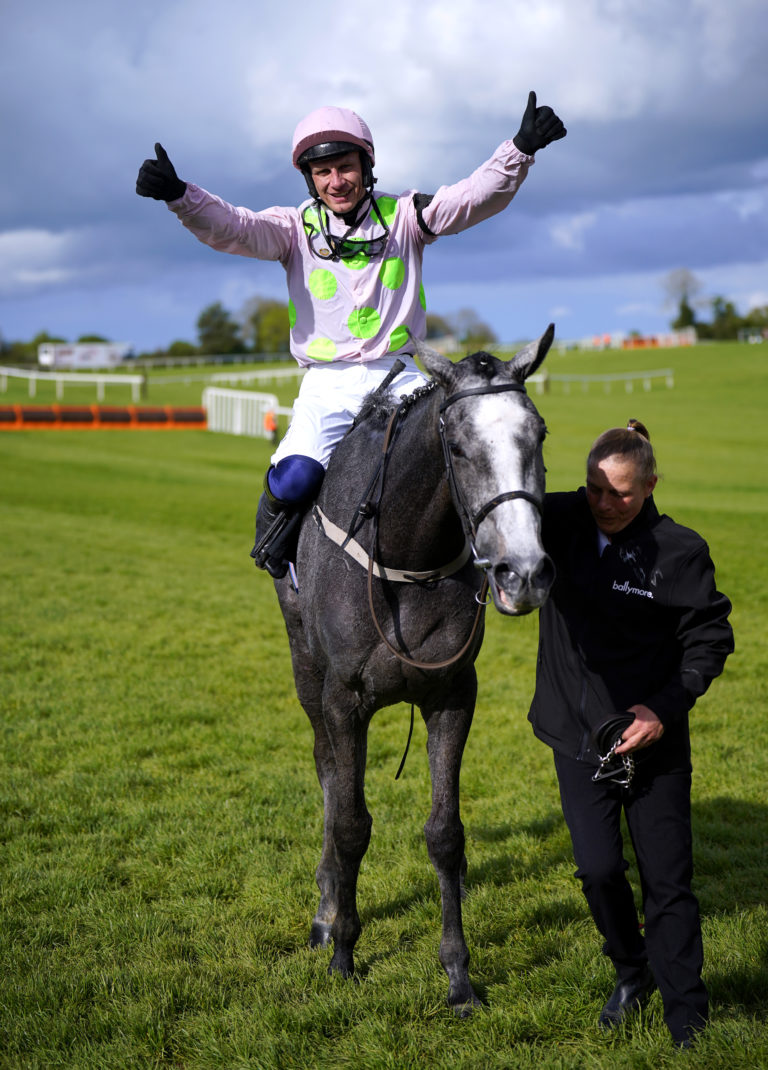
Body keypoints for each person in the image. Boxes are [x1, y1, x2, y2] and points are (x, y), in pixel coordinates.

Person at [136, 94, 566, 576]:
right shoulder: (292, 229)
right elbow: (235, 227)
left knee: (462, 457)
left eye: (345, 167)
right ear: (310, 178)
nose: (336, 181)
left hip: (402, 378)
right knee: (295, 479)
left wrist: (519, 149)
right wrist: (180, 195)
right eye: (323, 172)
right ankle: (276, 547)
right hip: (327, 386)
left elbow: (470, 199)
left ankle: (484, 562)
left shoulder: (408, 215)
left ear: (366, 166)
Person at [528, 419, 733, 1049]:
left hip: (654, 742)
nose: (604, 504)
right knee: (597, 872)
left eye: (620, 492)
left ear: (649, 486)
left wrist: (662, 711)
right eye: (594, 489)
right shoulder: (557, 521)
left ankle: (687, 1018)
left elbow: (710, 639)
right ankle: (630, 970)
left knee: (667, 882)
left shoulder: (680, 551)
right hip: (576, 736)